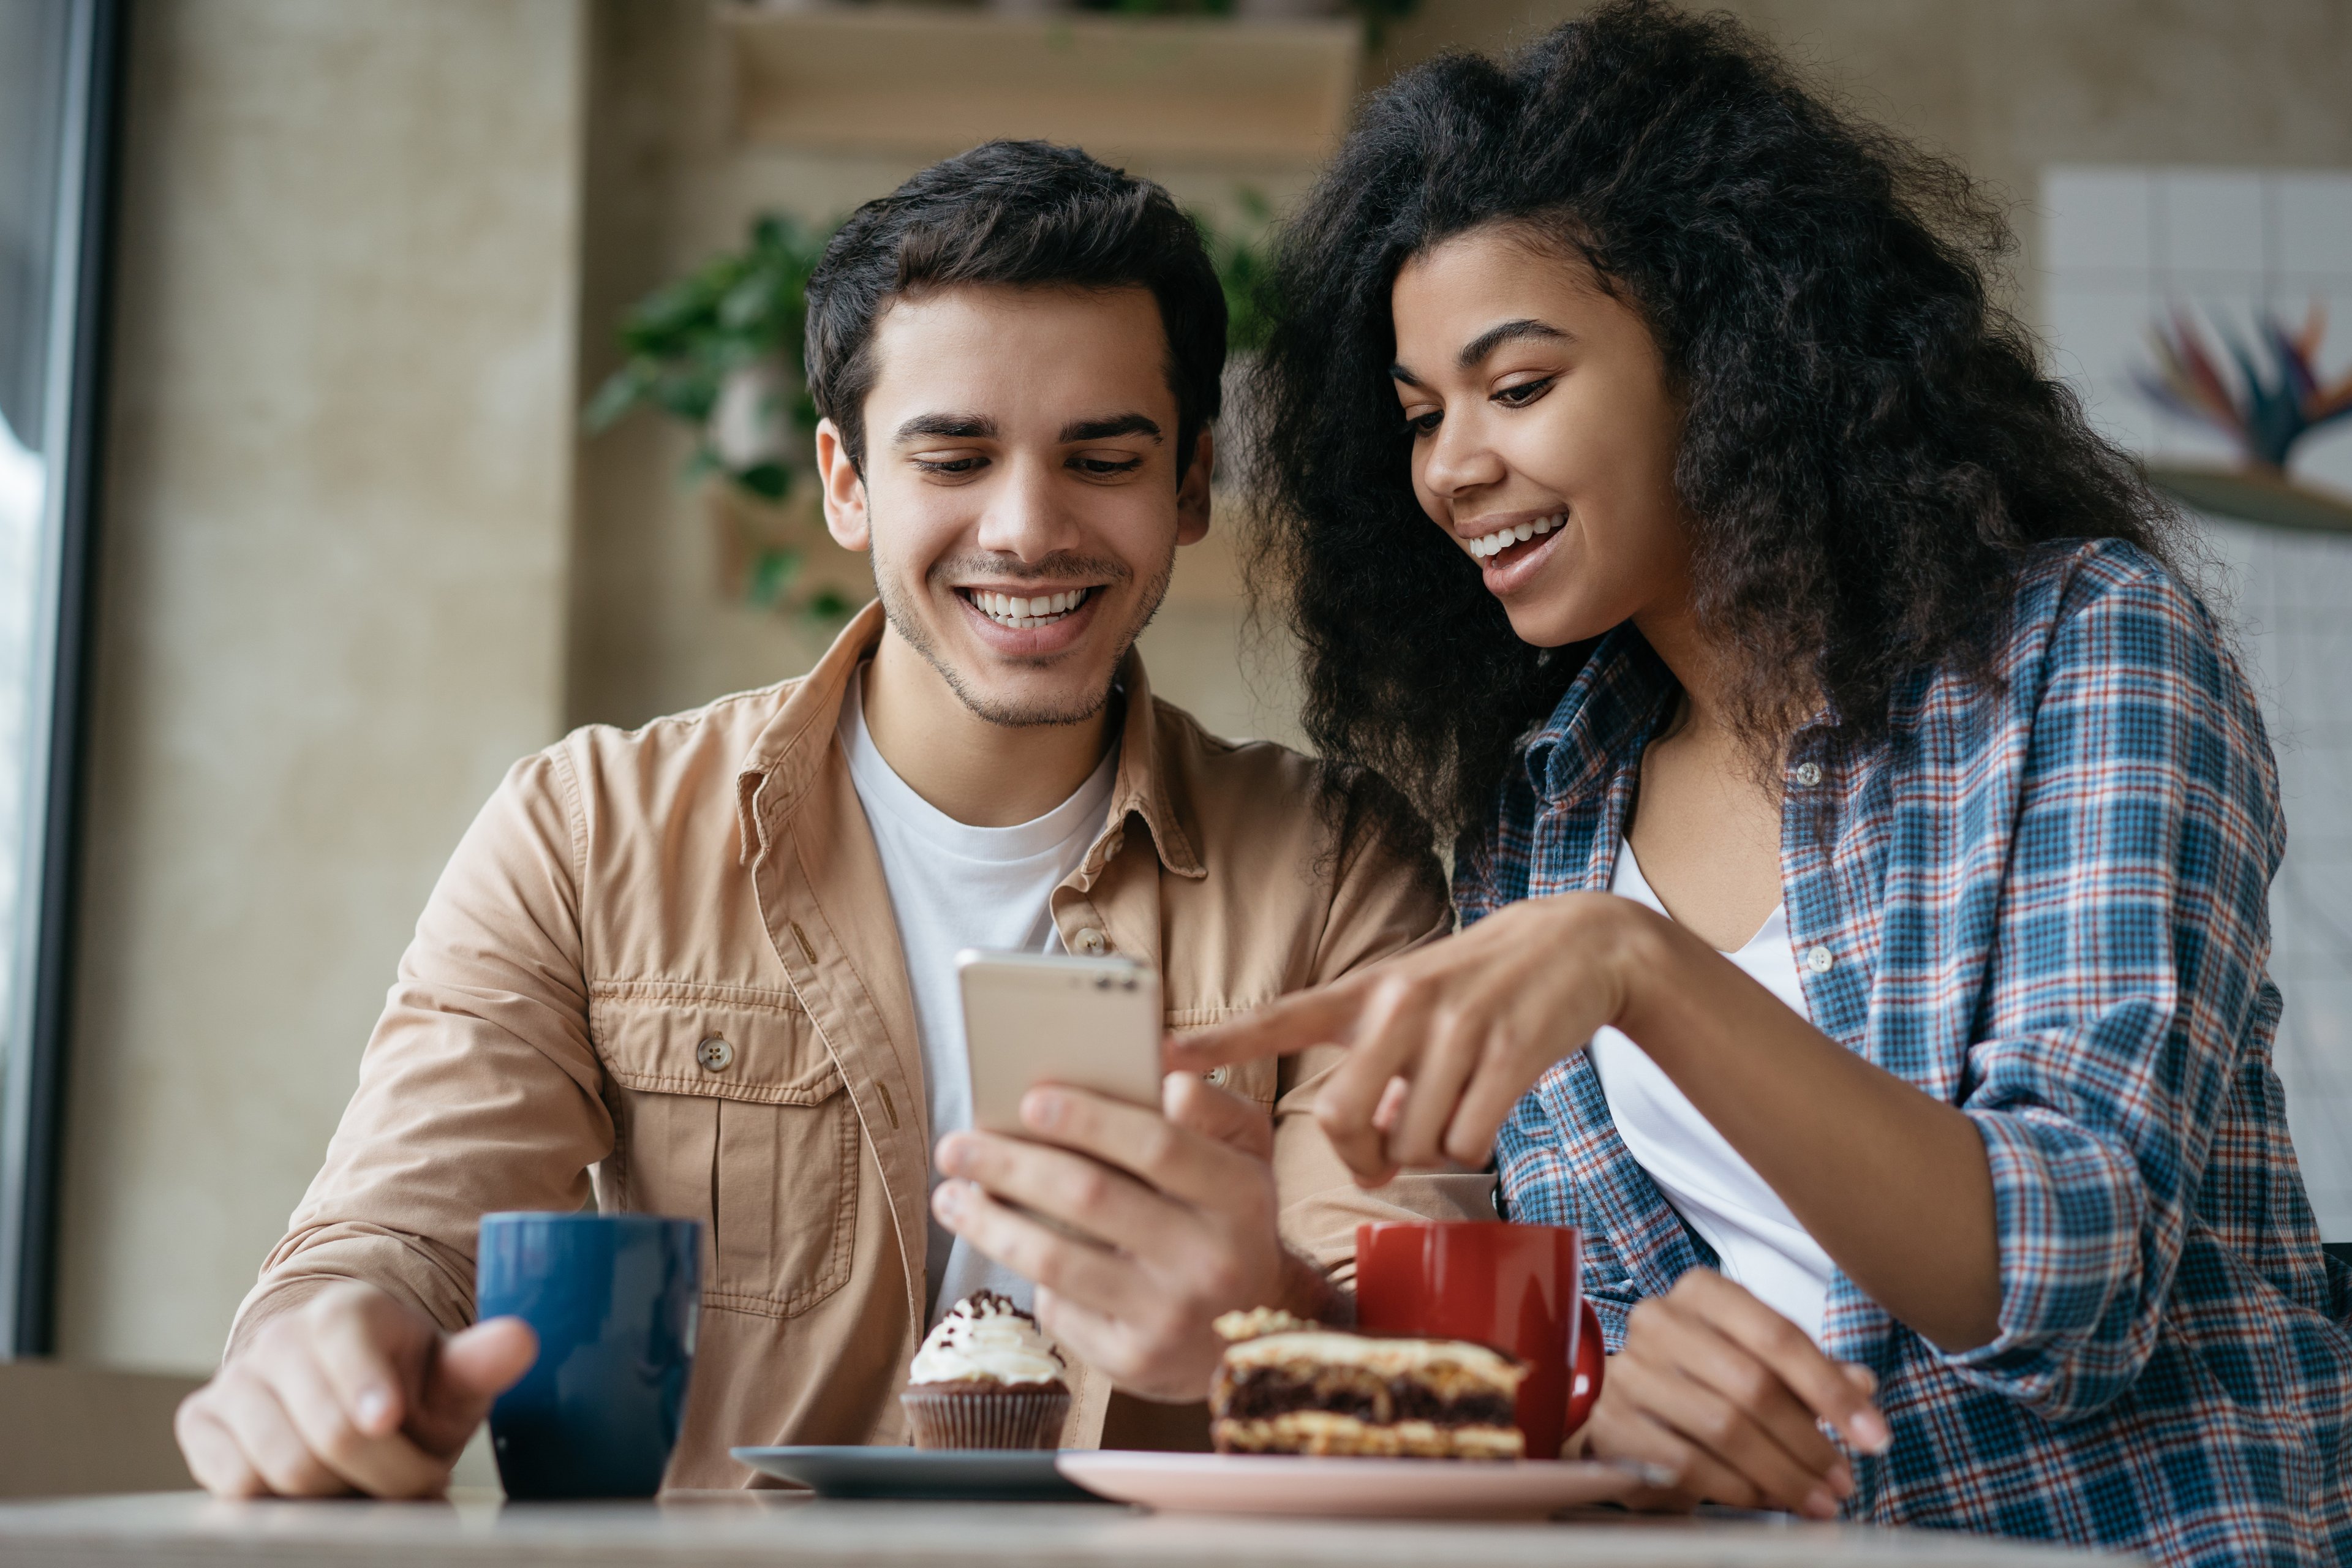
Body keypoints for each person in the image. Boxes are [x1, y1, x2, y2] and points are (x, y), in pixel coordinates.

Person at [1172, 6, 2352, 1564]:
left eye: (1514, 387)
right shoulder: (1549, 805)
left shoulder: (2081, 648)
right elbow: (1577, 1336)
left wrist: (1644, 970)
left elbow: (2074, 1271)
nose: (1451, 465)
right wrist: (1586, 1398)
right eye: (1417, 416)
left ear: (1728, 351)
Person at [173, 141, 1488, 1499]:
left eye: (1102, 457)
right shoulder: (587, 831)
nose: (1028, 526)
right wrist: (320, 1347)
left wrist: (1260, 1309)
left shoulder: (1340, 869)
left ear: (1193, 484)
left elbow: (1438, 1390)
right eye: (955, 456)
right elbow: (385, 1242)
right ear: (846, 480)